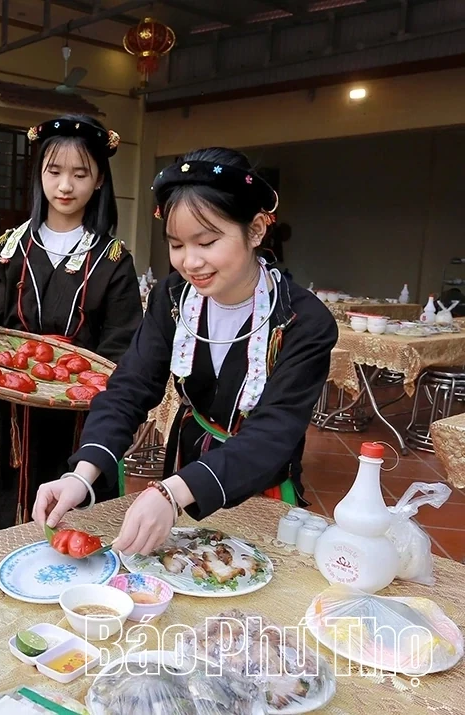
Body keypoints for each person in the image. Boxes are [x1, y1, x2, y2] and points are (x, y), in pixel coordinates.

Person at [33, 147, 338, 556]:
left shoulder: (302, 320)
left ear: (255, 230)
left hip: (258, 480)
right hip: (182, 469)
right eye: (176, 244)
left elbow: (275, 431)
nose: (190, 262)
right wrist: (82, 474)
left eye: (207, 242)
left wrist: (172, 493)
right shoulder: (174, 298)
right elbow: (130, 387)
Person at [0, 115, 142, 538]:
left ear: (99, 180)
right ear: (38, 173)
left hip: (81, 415)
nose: (65, 186)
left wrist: (80, 383)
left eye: (80, 174)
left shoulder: (113, 260)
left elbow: (121, 348)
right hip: (10, 412)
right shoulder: (6, 251)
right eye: (54, 171)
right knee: (3, 526)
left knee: (77, 533)